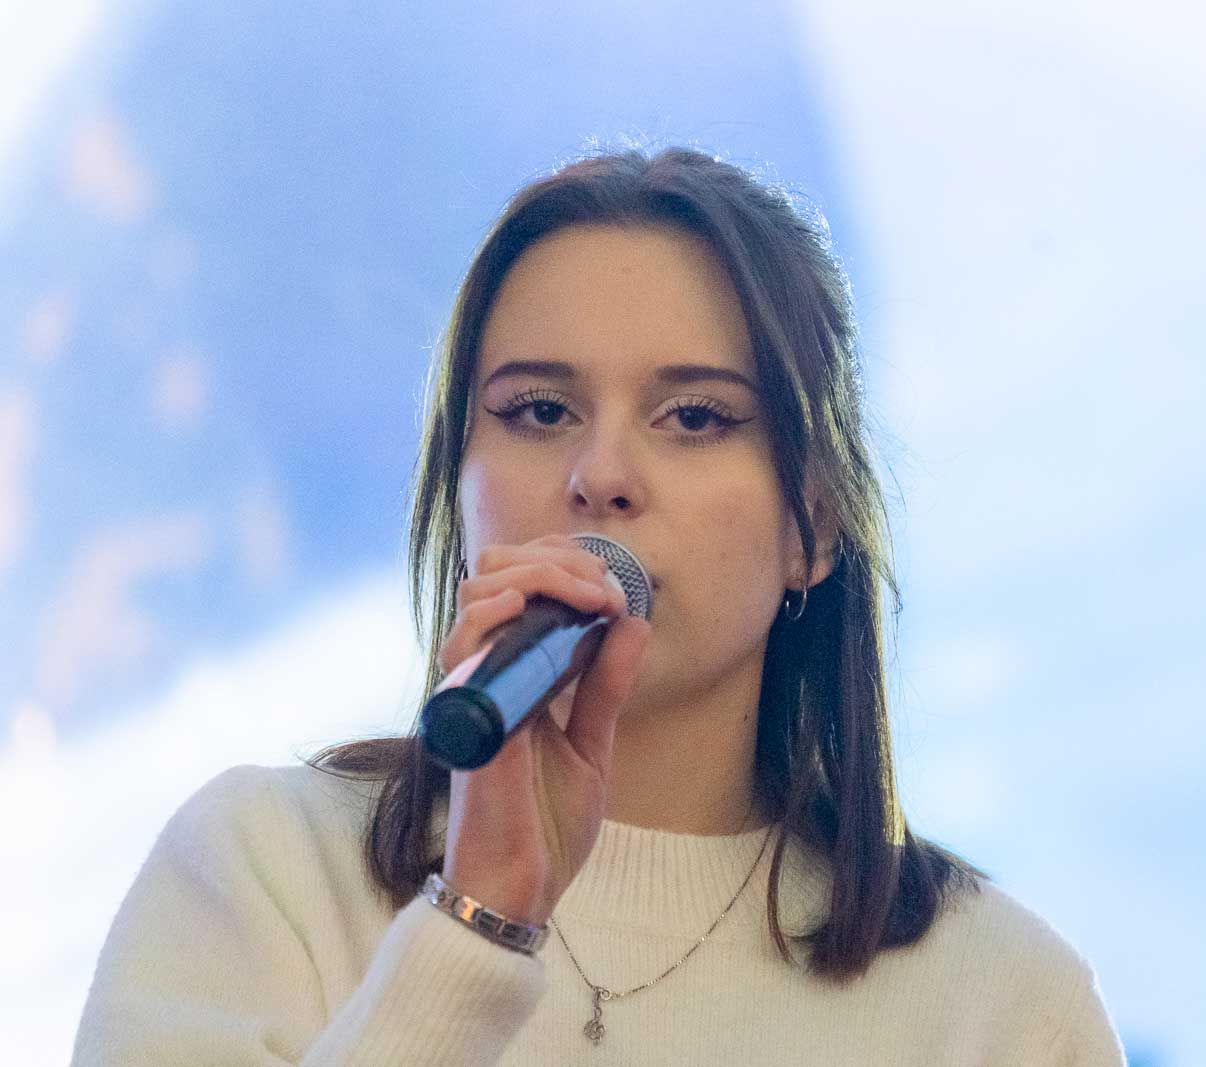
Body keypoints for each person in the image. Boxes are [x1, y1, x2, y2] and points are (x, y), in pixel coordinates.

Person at [70, 144, 1127, 1065]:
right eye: (540, 410)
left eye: (695, 417)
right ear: (456, 483)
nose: (602, 474)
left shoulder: (1004, 1002)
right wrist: (475, 921)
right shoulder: (262, 869)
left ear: (811, 523)